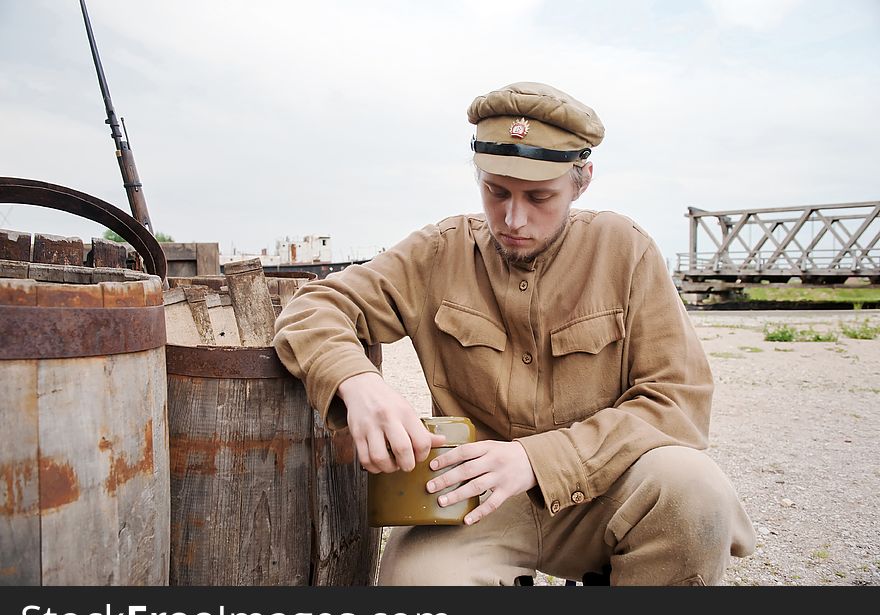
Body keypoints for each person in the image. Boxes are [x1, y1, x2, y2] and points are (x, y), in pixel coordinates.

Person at [273, 81, 756, 585]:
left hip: (606, 486)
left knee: (695, 491)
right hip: (474, 498)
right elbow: (316, 306)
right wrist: (359, 383)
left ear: (582, 181)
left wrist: (536, 459)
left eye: (540, 196)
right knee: (418, 585)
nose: (513, 218)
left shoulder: (625, 251)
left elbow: (677, 402)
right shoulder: (439, 251)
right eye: (496, 191)